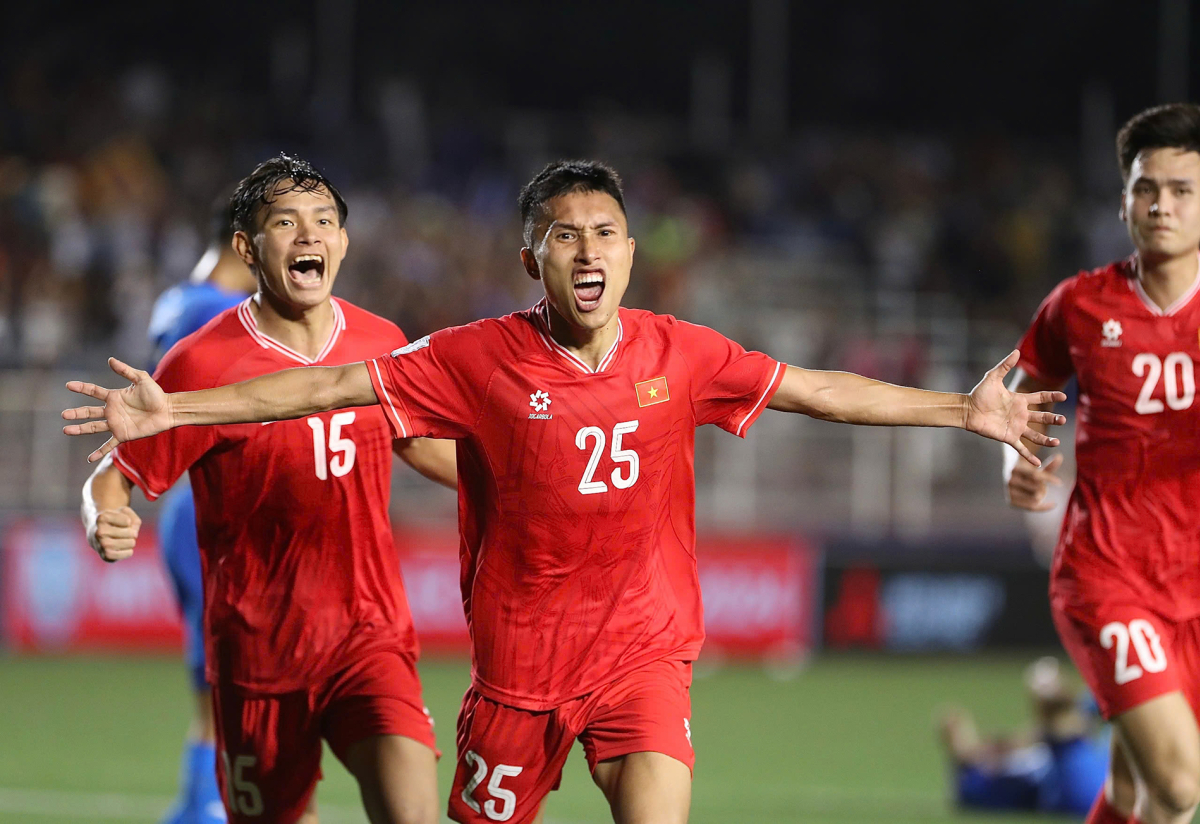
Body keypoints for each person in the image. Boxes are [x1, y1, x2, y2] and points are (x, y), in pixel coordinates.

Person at [64, 159, 1065, 824]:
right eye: (565, 235)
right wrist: (176, 418)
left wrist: (960, 410)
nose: (590, 251)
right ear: (532, 256)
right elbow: (328, 387)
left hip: (635, 652)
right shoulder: (473, 357)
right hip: (510, 679)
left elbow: (816, 389)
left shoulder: (685, 351)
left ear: (633, 251)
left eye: (608, 233)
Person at [77, 154, 457, 824]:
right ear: (247, 248)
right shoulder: (202, 361)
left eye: (323, 221)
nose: (309, 235)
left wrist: (530, 482)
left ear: (342, 241)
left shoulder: (383, 343)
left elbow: (421, 444)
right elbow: (115, 477)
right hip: (258, 656)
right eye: (287, 222)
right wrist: (104, 519)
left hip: (368, 638)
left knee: (412, 810)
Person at [1003, 102, 1200, 824]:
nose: (1162, 205)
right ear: (1124, 202)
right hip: (1110, 572)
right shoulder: (1082, 306)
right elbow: (1016, 401)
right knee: (1179, 787)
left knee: (1132, 792)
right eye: (1148, 188)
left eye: (1183, 190)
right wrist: (1015, 466)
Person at [147, 196, 257, 824]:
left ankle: (197, 804)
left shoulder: (178, 300)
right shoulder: (216, 311)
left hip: (191, 506)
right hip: (210, 508)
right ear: (246, 244)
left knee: (212, 679)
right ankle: (210, 803)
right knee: (228, 675)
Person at [938, 656, 1109, 816]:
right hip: (1071, 793)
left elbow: (1063, 727)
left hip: (1079, 796)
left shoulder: (1072, 727)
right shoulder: (1062, 733)